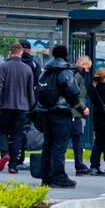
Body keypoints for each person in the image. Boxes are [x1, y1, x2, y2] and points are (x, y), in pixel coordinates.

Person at [34, 43, 82, 188]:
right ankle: (59, 177)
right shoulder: (65, 71)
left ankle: (46, 177)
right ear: (66, 55)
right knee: (59, 146)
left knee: (48, 144)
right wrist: (76, 105)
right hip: (61, 111)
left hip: (46, 112)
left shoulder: (46, 71)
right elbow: (73, 91)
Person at [0, 42, 34, 174]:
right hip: (22, 108)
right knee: (17, 135)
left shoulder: (4, 67)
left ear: (10, 52)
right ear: (21, 53)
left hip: (6, 106)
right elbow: (30, 91)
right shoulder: (27, 69)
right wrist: (31, 106)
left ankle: (5, 153)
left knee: (3, 132)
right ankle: (13, 165)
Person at [69, 55, 93, 175]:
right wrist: (83, 108)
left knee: (72, 139)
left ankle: (79, 164)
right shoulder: (77, 76)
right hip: (75, 113)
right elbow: (75, 95)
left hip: (72, 112)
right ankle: (79, 164)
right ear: (83, 65)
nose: (88, 71)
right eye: (88, 67)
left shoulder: (72, 73)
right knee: (78, 138)